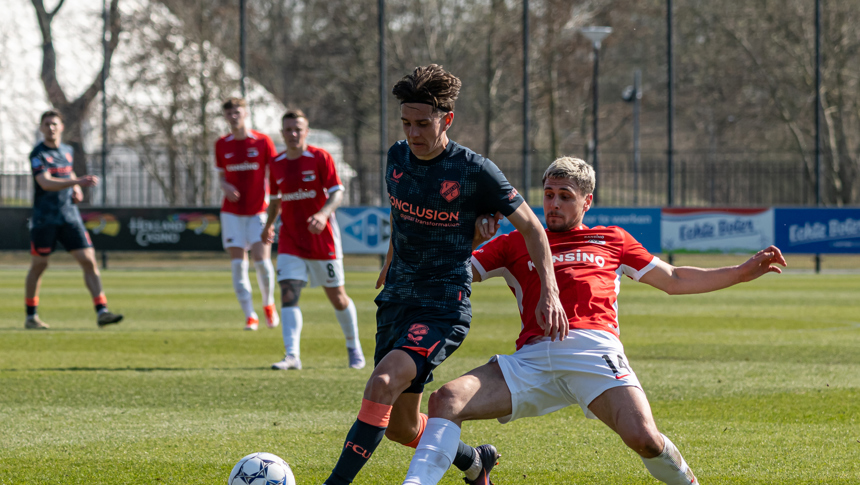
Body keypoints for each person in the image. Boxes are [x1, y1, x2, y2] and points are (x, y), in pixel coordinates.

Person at [401, 157, 788, 485]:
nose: (553, 204)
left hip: (595, 352)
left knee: (645, 439)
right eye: (549, 195)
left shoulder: (612, 239)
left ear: (587, 201)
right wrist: (467, 238)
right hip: (532, 360)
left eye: (565, 197)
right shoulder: (517, 241)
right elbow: (456, 272)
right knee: (446, 399)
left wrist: (739, 272)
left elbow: (674, 279)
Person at [322, 64, 567, 485]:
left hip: (442, 306)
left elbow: (533, 227)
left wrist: (551, 292)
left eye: (423, 123)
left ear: (446, 119)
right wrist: (389, 260)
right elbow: (403, 217)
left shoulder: (475, 170)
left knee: (381, 382)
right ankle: (475, 462)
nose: (413, 133)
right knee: (401, 427)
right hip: (396, 299)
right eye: (405, 123)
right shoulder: (397, 156)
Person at [262, 109, 365, 371]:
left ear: (306, 132)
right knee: (288, 293)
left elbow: (337, 193)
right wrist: (269, 224)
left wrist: (322, 213)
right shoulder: (276, 163)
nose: (293, 134)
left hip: (323, 240)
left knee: (337, 296)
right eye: (288, 130)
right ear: (282, 133)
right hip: (290, 240)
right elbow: (275, 200)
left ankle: (354, 347)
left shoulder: (320, 157)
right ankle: (292, 356)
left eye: (298, 129)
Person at [24, 110, 123, 329]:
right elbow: (46, 183)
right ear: (41, 128)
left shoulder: (67, 151)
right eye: (47, 124)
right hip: (45, 218)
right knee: (39, 266)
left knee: (89, 260)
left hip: (69, 216)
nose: (51, 127)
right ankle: (31, 316)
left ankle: (102, 311)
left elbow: (66, 174)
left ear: (61, 127)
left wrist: (76, 187)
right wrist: (77, 181)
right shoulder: (37, 154)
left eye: (54, 124)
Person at [215, 97, 278, 331]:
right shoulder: (221, 144)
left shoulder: (262, 141)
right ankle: (250, 315)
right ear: (225, 116)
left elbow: (275, 174)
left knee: (262, 262)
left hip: (258, 212)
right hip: (231, 214)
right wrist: (225, 186)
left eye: (237, 112)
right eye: (229, 113)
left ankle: (268, 304)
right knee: (238, 266)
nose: (234, 116)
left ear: (245, 113)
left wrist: (273, 207)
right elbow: (220, 175)